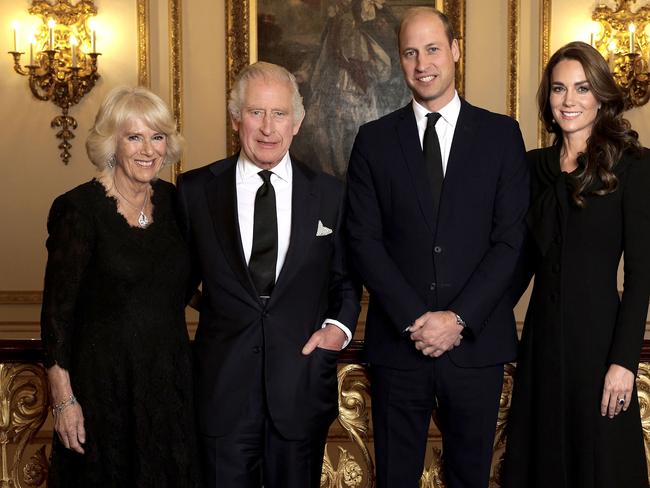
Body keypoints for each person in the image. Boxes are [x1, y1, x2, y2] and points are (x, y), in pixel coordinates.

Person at [346, 7, 529, 488]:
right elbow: (364, 242)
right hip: (399, 349)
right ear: (400, 62)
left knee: (471, 479)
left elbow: (510, 241)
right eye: (410, 52)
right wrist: (415, 320)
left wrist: (458, 320)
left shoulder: (501, 135)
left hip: (476, 348)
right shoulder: (373, 141)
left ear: (455, 51)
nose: (422, 62)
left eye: (432, 48)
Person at [176, 61, 360, 488]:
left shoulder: (330, 194)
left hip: (299, 388)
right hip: (221, 392)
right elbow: (173, 283)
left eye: (279, 114)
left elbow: (346, 280)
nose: (267, 127)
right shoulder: (195, 191)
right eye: (256, 112)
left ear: (298, 122)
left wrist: (337, 331)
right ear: (236, 117)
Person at [502, 41, 650, 488]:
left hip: (600, 348)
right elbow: (518, 264)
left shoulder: (633, 166)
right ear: (547, 97)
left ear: (601, 95)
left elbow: (642, 274)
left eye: (582, 88)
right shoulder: (532, 167)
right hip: (542, 345)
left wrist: (623, 362)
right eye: (559, 89)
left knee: (599, 466)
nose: (569, 101)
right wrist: (465, 318)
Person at [40, 86, 200, 487]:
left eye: (157, 137)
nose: (148, 149)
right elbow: (57, 315)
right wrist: (64, 400)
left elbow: (180, 288)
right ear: (112, 143)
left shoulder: (174, 203)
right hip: (103, 392)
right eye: (134, 137)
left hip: (169, 389)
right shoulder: (78, 210)